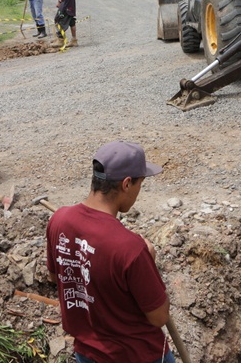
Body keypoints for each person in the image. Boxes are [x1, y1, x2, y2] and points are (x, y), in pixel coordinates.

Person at [46, 141, 174, 363]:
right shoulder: (130, 248)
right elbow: (159, 316)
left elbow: (55, 276)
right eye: (140, 184)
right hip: (137, 355)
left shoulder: (59, 220)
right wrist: (149, 262)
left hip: (87, 353)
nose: (138, 192)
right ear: (126, 184)